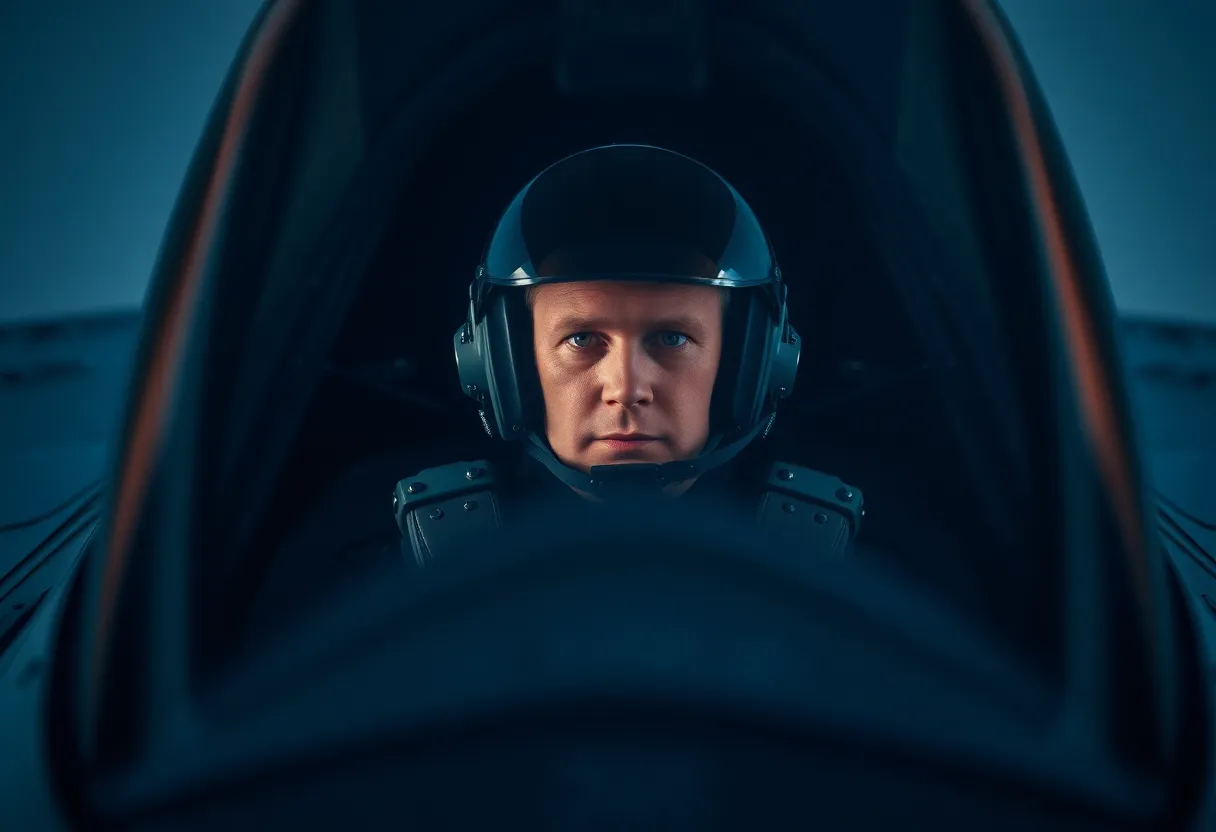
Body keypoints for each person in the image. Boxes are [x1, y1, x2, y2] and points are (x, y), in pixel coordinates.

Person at [392, 144, 863, 564]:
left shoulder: (851, 567)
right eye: (581, 340)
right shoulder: (396, 563)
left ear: (754, 364)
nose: (627, 390)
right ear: (499, 363)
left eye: (671, 339)